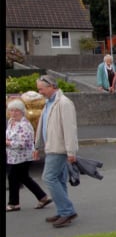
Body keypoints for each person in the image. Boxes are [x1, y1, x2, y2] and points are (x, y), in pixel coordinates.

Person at [33, 75, 79, 228]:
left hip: (58, 148)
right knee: (58, 179)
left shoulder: (64, 103)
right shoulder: (49, 103)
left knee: (49, 177)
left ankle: (66, 210)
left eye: (41, 89)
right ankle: (62, 210)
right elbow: (43, 125)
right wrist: (37, 146)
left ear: (51, 86)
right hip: (51, 146)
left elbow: (69, 128)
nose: (40, 92)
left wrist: (71, 151)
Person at [6, 98, 50, 211]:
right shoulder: (11, 122)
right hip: (13, 156)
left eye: (16, 111)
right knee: (23, 178)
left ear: (22, 111)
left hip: (23, 156)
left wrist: (8, 143)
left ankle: (14, 203)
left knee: (14, 178)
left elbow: (23, 143)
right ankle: (42, 197)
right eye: (11, 110)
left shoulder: (24, 125)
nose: (13, 113)